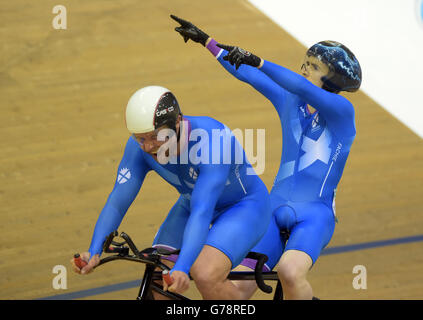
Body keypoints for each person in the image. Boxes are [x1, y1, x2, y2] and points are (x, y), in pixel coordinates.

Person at [171, 15, 361, 300]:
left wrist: (258, 60)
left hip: (314, 216)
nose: (304, 67)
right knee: (234, 285)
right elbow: (247, 74)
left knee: (290, 272)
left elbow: (300, 86)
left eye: (314, 66)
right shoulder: (290, 102)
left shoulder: (342, 112)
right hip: (272, 210)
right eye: (305, 61)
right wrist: (208, 43)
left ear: (332, 79)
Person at [70, 85, 272, 299]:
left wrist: (183, 267)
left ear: (177, 122)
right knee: (158, 276)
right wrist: (94, 251)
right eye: (141, 138)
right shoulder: (138, 147)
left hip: (242, 207)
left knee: (204, 274)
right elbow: (117, 202)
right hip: (190, 204)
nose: (148, 147)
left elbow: (202, 211)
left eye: (155, 136)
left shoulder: (213, 142)